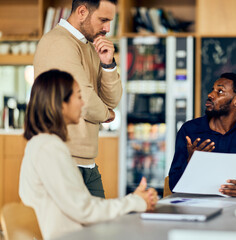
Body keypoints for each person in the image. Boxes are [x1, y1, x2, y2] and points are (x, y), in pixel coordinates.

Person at [19, 69, 158, 240]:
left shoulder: (43, 144)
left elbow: (80, 206)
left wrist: (135, 200)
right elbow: (83, 209)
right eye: (78, 96)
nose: (83, 103)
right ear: (61, 104)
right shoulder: (49, 148)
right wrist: (135, 202)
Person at [33, 0, 122, 198]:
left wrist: (108, 65)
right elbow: (85, 99)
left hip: (86, 162)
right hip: (64, 159)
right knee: (80, 227)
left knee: (98, 227)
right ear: (82, 11)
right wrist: (106, 114)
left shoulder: (90, 47)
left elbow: (112, 99)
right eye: (103, 20)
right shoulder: (59, 43)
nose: (107, 28)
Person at [168, 73, 236, 197]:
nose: (210, 95)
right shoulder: (189, 131)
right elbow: (174, 185)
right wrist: (191, 162)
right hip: (196, 205)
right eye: (212, 90)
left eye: (220, 91)